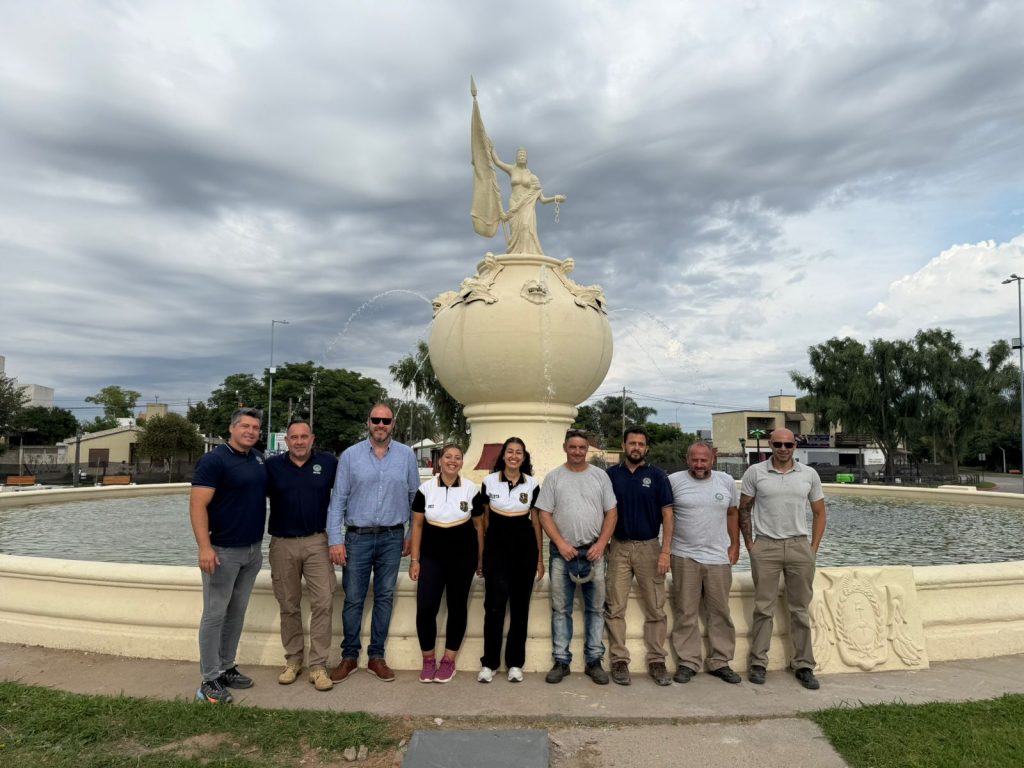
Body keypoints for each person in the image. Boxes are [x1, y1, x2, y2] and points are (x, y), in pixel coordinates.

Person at [327, 403, 419, 683]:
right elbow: (338, 499)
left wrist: (411, 535)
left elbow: (416, 499)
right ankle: (349, 657)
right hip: (357, 537)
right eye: (376, 420)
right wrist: (335, 539)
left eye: (386, 421)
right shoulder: (351, 456)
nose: (381, 425)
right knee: (353, 598)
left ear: (393, 424)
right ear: (368, 422)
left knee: (384, 597)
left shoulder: (405, 455)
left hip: (392, 537)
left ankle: (376, 656)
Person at [189, 407, 267, 704]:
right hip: (222, 550)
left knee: (236, 613)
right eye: (245, 426)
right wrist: (204, 547)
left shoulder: (258, 459)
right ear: (232, 428)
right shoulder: (214, 460)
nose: (250, 431)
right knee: (214, 614)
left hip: (251, 549)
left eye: (255, 428)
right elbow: (197, 505)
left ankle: (226, 666)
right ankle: (209, 679)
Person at [739, 428, 827, 690]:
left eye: (788, 444)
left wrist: (813, 548)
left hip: (799, 546)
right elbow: (744, 508)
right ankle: (758, 662)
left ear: (795, 446)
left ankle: (804, 665)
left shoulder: (809, 474)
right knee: (763, 608)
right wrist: (750, 545)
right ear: (770, 444)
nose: (783, 448)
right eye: (778, 444)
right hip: (766, 547)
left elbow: (820, 513)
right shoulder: (755, 472)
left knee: (800, 609)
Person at [536, 429, 618, 685]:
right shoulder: (554, 478)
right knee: (561, 610)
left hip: (593, 552)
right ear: (565, 448)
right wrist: (560, 543)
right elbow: (544, 514)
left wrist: (602, 543)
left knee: (595, 609)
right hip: (563, 553)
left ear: (587, 449)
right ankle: (561, 660)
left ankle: (594, 660)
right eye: (573, 447)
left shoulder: (600, 477)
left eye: (582, 447)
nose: (578, 452)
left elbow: (611, 512)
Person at [266, 419, 338, 692]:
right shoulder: (273, 467)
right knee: (288, 604)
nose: (299, 441)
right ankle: (294, 660)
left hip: (317, 541)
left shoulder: (328, 463)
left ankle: (318, 665)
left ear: (312, 439)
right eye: (293, 437)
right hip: (282, 543)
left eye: (304, 436)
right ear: (286, 441)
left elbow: (343, 496)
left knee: (323, 602)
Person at [604, 426, 674, 686]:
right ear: (624, 445)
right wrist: (605, 543)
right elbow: (603, 511)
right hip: (619, 547)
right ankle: (619, 661)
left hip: (649, 548)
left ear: (646, 448)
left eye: (640, 444)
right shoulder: (610, 475)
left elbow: (668, 516)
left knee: (656, 607)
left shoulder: (657, 476)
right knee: (615, 607)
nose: (636, 448)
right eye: (631, 443)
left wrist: (665, 550)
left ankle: (657, 660)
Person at [408, 444, 484, 683]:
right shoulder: (425, 489)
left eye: (457, 458)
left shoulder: (471, 490)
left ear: (462, 462)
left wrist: (481, 559)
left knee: (457, 607)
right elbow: (417, 526)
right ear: (440, 461)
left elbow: (479, 528)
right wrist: (414, 560)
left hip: (463, 559)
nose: (452, 461)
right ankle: (428, 659)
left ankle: (448, 661)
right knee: (425, 609)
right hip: (431, 558)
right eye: (448, 457)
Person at [668, 441, 741, 685]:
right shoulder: (673, 481)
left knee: (720, 611)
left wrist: (735, 545)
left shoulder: (726, 481)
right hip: (683, 555)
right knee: (685, 611)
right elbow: (666, 516)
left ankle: (720, 661)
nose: (699, 465)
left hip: (718, 557)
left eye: (704, 460)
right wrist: (665, 549)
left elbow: (732, 514)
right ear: (687, 459)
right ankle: (688, 662)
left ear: (713, 459)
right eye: (694, 460)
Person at [476, 437, 544, 683]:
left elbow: (536, 522)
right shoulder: (489, 482)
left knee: (520, 607)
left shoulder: (533, 484)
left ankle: (516, 663)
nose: (514, 456)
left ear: (524, 458)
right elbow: (483, 522)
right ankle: (489, 663)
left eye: (519, 453)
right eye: (510, 452)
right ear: (503, 456)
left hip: (524, 551)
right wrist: (481, 556)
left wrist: (540, 558)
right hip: (496, 551)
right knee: (493, 607)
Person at [490, 146, 566, 255]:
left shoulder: (532, 177)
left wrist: (555, 198)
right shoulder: (512, 169)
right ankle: (514, 252)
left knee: (525, 225)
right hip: (514, 202)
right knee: (515, 229)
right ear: (516, 158)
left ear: (526, 159)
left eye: (523, 155)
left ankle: (525, 251)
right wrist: (490, 147)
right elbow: (497, 162)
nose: (521, 156)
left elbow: (542, 200)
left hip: (526, 205)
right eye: (519, 155)